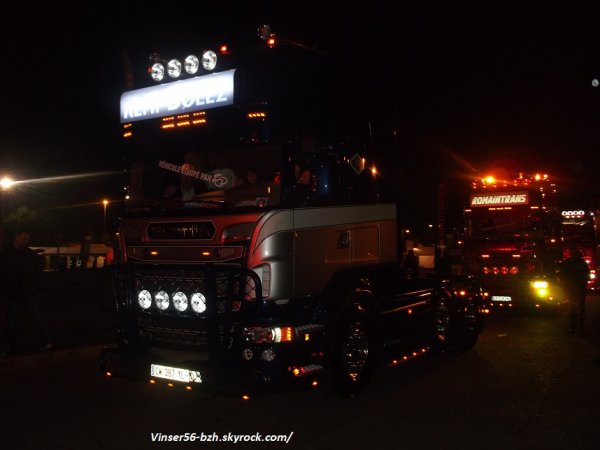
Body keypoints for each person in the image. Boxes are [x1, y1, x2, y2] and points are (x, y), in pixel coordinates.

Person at [0, 230, 52, 356]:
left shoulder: (9, 254)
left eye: (26, 239)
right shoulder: (25, 254)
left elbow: (36, 274)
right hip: (18, 293)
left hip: (21, 292)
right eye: (24, 239)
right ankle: (41, 342)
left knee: (19, 321)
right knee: (20, 321)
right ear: (16, 237)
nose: (25, 242)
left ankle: (17, 347)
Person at [560, 244, 590, 333]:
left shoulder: (574, 263)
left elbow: (562, 275)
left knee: (576, 307)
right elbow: (563, 275)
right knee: (575, 307)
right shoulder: (579, 263)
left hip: (577, 287)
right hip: (575, 287)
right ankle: (576, 326)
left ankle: (577, 326)